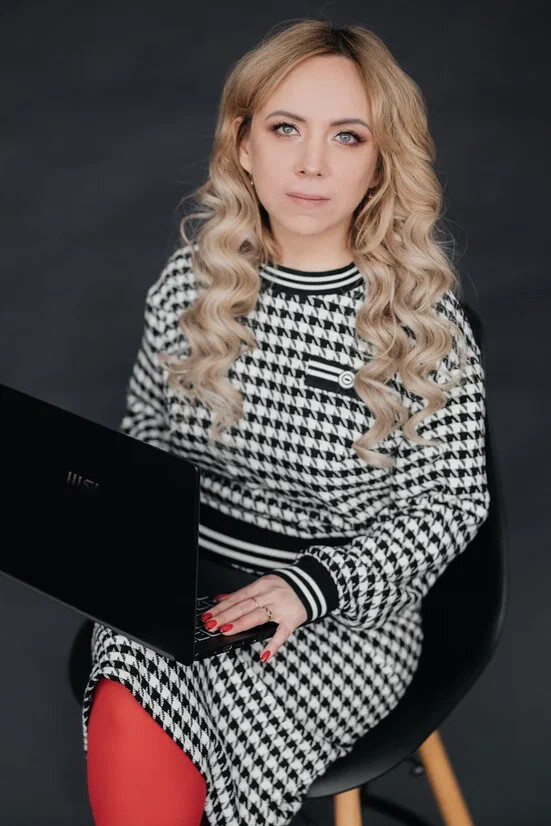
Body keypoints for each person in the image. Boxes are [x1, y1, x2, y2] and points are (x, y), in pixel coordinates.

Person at [83, 19, 490, 826]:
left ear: (379, 161)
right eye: (284, 129)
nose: (311, 164)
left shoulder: (421, 325)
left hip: (337, 614)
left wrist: (310, 588)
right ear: (242, 144)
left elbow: (449, 507)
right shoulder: (192, 282)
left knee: (210, 687)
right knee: (133, 661)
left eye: (346, 136)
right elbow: (145, 434)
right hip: (188, 585)